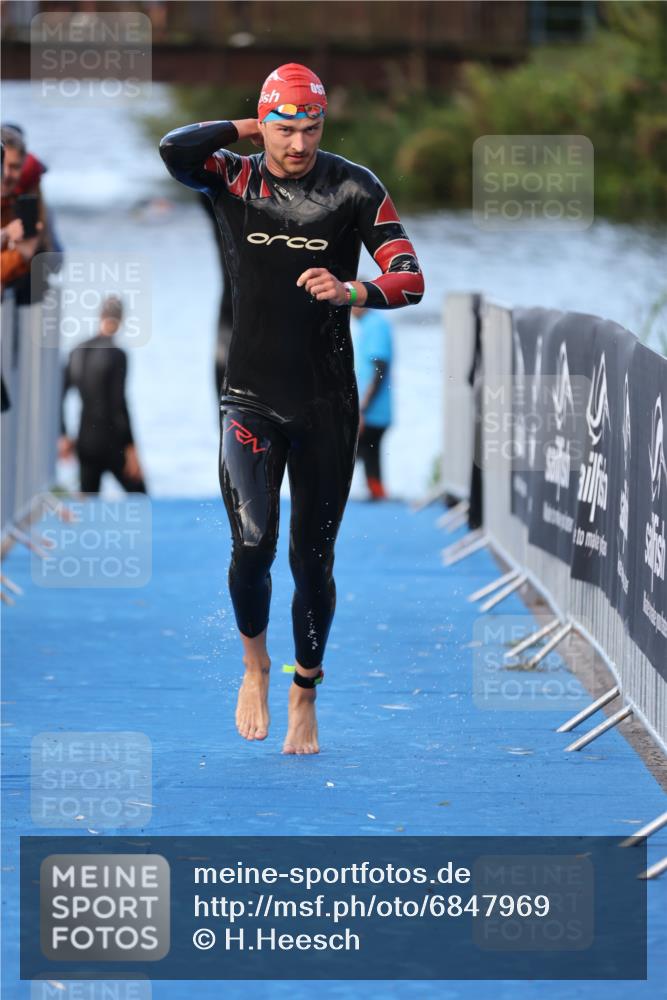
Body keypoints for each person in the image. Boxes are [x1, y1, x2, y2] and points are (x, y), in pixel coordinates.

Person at [160, 63, 424, 754]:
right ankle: (254, 667)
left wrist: (351, 292)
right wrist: (254, 126)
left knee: (313, 561)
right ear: (262, 123)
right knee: (252, 545)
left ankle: (304, 686)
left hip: (326, 403)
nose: (298, 144)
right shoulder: (232, 177)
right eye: (284, 128)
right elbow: (174, 148)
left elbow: (410, 277)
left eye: (310, 128)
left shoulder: (353, 187)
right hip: (248, 396)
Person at [59, 295, 147, 494]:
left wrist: (63, 434)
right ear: (121, 319)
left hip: (85, 441)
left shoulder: (77, 351)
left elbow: (60, 396)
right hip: (112, 442)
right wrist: (131, 449)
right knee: (141, 497)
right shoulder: (117, 355)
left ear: (100, 316)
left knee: (89, 504)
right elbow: (118, 405)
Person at [352, 301, 393, 500]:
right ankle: (376, 492)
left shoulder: (375, 325)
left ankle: (377, 493)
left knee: (362, 450)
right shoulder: (368, 324)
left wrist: (363, 408)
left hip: (372, 409)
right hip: (370, 408)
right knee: (369, 452)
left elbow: (380, 369)